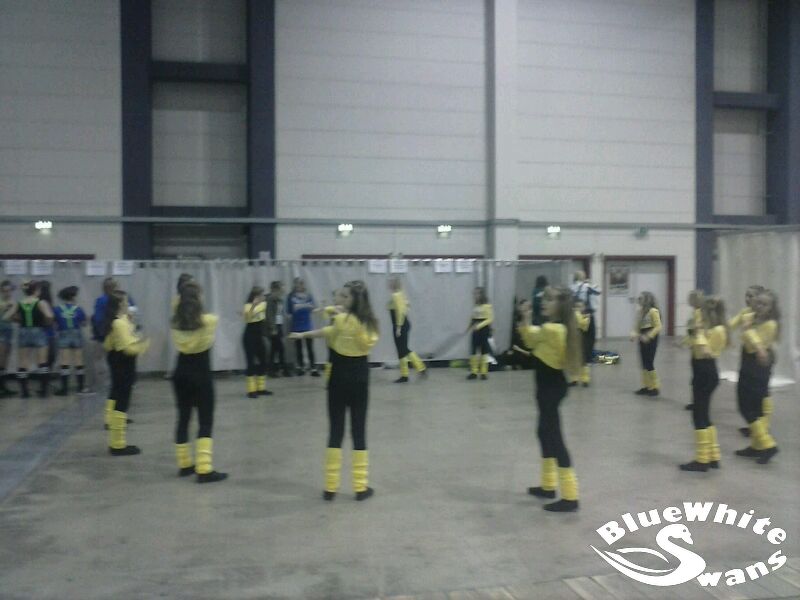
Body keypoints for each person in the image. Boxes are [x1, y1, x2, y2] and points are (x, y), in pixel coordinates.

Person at [290, 280, 379, 502]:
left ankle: (330, 488)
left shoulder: (343, 320)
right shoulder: (370, 323)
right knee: (358, 431)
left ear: (354, 300)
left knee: (336, 431)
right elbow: (337, 332)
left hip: (339, 377)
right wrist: (307, 333)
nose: (340, 300)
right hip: (359, 378)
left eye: (345, 296)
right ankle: (360, 487)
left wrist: (304, 334)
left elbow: (329, 331)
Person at [518, 288, 583, 512]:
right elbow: (530, 339)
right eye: (544, 298)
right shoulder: (558, 328)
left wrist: (526, 320)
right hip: (550, 388)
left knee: (554, 438)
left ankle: (570, 497)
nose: (544, 302)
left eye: (550, 299)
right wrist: (526, 318)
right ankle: (548, 486)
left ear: (561, 304)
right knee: (544, 433)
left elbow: (530, 339)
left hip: (550, 389)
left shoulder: (551, 329)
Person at [170, 283, 227, 483]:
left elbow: (179, 309)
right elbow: (213, 317)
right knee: (205, 420)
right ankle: (204, 469)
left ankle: (184, 464)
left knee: (183, 418)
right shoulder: (209, 321)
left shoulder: (175, 322)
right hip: (201, 375)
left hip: (180, 374)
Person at [680, 297, 727, 472]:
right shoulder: (709, 329)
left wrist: (698, 332)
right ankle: (713, 455)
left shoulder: (719, 330)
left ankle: (702, 460)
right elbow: (693, 344)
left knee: (699, 415)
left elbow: (705, 350)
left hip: (706, 372)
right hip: (701, 371)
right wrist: (691, 335)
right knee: (704, 414)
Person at [101, 290, 149, 456]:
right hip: (124, 363)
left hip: (117, 361)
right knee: (122, 401)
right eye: (126, 302)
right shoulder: (120, 323)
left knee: (117, 396)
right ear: (120, 304)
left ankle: (115, 437)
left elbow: (107, 345)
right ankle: (117, 444)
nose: (128, 305)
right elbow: (129, 347)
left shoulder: (115, 321)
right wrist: (144, 345)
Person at [734, 289, 780, 465]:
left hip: (757, 368)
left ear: (771, 308)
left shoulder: (770, 325)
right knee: (751, 407)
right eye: (758, 302)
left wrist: (747, 329)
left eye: (764, 304)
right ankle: (757, 445)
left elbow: (754, 345)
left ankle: (768, 444)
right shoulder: (751, 318)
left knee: (748, 408)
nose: (759, 306)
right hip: (747, 363)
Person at [729, 285, 766, 437]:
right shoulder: (745, 312)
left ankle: (761, 431)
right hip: (747, 354)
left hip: (759, 356)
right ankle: (755, 426)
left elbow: (760, 338)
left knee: (757, 393)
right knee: (745, 392)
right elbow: (731, 324)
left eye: (751, 296)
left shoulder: (763, 316)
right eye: (746, 295)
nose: (747, 299)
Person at [11, 281, 54, 398]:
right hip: (38, 331)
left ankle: (24, 392)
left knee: (23, 362)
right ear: (36, 290)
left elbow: (7, 316)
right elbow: (50, 316)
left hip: (23, 331)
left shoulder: (19, 302)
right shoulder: (41, 302)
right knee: (42, 362)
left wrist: (19, 320)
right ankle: (43, 391)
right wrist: (46, 323)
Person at [387, 277, 427, 383]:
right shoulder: (401, 294)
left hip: (400, 325)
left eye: (390, 282)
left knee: (403, 349)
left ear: (394, 284)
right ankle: (405, 375)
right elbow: (407, 307)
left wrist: (398, 327)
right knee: (401, 350)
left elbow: (401, 311)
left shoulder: (396, 295)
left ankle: (421, 367)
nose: (388, 284)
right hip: (401, 324)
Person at [53, 286, 88, 396]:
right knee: (79, 360)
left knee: (64, 361)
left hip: (63, 333)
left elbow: (54, 323)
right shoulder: (78, 309)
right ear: (73, 297)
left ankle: (64, 389)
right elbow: (84, 323)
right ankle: (81, 387)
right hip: (76, 333)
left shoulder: (57, 309)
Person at [570, 271, 601, 387]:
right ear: (583, 277)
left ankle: (573, 378)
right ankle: (585, 379)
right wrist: (589, 283)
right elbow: (598, 291)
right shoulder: (588, 286)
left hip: (574, 318)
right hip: (587, 317)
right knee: (588, 347)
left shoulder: (571, 287)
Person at [631, 292, 662, 397]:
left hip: (651, 339)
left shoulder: (653, 311)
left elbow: (658, 327)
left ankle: (655, 387)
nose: (639, 300)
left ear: (647, 300)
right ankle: (646, 386)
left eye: (641, 298)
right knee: (643, 363)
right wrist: (633, 333)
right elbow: (637, 326)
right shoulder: (640, 312)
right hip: (642, 338)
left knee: (649, 362)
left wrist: (649, 336)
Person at [242, 286, 271, 398]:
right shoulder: (247, 306)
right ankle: (251, 390)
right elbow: (247, 318)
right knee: (251, 362)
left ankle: (261, 388)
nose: (263, 297)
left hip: (259, 336)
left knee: (263, 360)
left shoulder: (263, 304)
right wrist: (253, 306)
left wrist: (255, 307)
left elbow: (252, 313)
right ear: (255, 296)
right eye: (261, 295)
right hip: (249, 336)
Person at [287, 278, 319, 376]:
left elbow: (313, 307)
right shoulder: (290, 296)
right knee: (298, 348)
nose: (299, 286)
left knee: (310, 347)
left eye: (301, 284)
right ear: (294, 285)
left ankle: (313, 367)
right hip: (296, 325)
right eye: (297, 284)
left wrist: (304, 306)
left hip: (307, 325)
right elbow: (289, 311)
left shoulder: (308, 295)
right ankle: (300, 367)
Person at [682, 290, 706, 410]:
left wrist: (686, 342)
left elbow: (694, 331)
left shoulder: (697, 313)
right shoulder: (698, 312)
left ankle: (698, 402)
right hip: (696, 347)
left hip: (697, 349)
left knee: (697, 377)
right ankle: (697, 401)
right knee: (697, 377)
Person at [467, 287, 493, 381]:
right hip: (475, 330)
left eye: (477, 293)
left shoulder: (487, 306)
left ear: (482, 295)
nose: (475, 296)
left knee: (484, 350)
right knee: (473, 350)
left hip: (484, 330)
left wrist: (479, 326)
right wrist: (469, 326)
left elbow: (490, 319)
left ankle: (483, 372)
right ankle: (474, 372)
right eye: (474, 294)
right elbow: (473, 317)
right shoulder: (475, 306)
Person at [266, 281, 291, 377]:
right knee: (279, 348)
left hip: (278, 325)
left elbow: (279, 314)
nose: (283, 289)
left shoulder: (279, 299)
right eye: (282, 287)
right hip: (274, 327)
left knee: (275, 349)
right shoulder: (271, 299)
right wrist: (273, 328)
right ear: (276, 289)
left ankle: (275, 369)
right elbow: (270, 314)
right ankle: (282, 369)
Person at [0, 280, 17, 397]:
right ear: (1, 291)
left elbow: (14, 318)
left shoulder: (12, 303)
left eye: (9, 291)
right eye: (5, 291)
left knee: (5, 360)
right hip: (1, 332)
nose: (8, 293)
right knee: (1, 359)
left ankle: (3, 386)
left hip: (9, 332)